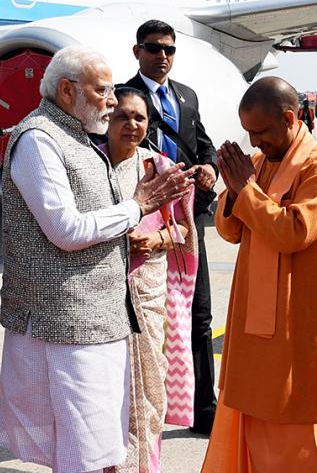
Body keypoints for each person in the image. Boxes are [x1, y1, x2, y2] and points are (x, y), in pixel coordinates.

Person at [0, 45, 192, 472]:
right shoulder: (39, 140)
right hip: (63, 324)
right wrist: (136, 208)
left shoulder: (77, 138)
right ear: (67, 91)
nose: (111, 100)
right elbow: (66, 229)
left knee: (98, 446)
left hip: (99, 321)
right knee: (81, 450)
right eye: (102, 90)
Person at [201, 76, 317, 473]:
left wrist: (247, 192)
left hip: (297, 324)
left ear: (289, 119)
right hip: (254, 325)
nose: (254, 142)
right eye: (248, 132)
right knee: (255, 419)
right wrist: (236, 193)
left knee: (301, 431)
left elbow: (294, 233)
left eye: (261, 132)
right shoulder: (258, 165)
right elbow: (231, 231)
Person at [124, 19, 219, 434]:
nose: (162, 56)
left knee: (198, 314)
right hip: (144, 221)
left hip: (186, 222)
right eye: (153, 48)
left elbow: (204, 146)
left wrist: (210, 169)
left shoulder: (186, 96)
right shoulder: (124, 97)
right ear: (137, 52)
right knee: (144, 318)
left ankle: (204, 409)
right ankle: (141, 409)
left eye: (169, 49)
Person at [102, 87, 198, 472]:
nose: (131, 125)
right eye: (122, 116)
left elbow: (185, 232)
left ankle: (145, 466)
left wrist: (156, 238)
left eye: (139, 117)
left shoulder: (161, 169)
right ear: (105, 119)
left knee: (148, 387)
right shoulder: (90, 167)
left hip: (147, 291)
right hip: (99, 295)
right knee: (106, 391)